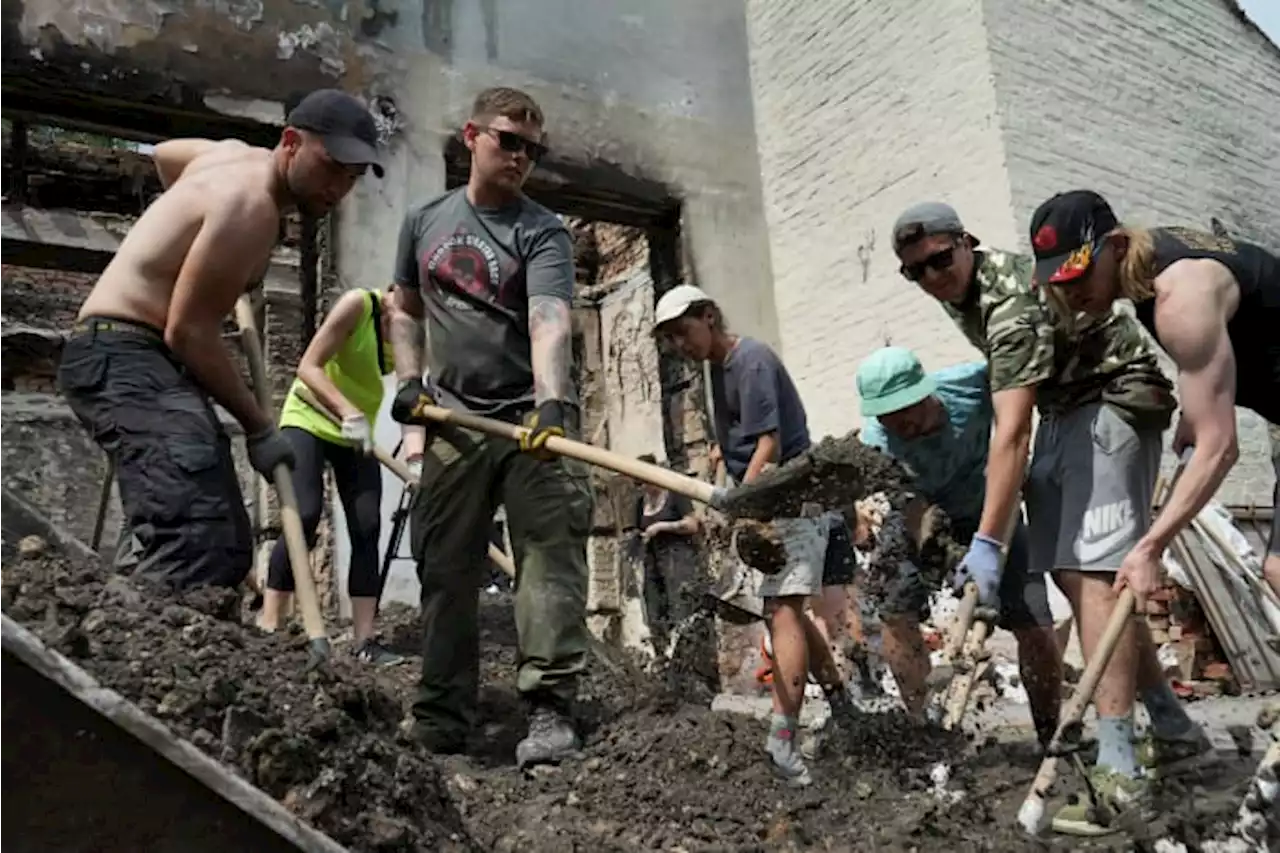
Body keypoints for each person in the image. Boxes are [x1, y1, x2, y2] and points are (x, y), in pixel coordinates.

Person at [891, 201, 1212, 835]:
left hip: (1118, 395)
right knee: (1071, 576)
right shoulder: (963, 298)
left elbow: (1009, 434)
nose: (931, 278)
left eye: (939, 261)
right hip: (1067, 408)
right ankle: (1173, 727)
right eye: (915, 272)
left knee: (1095, 577)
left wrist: (987, 541)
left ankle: (1119, 760)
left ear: (967, 242)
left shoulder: (1007, 305)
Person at [58, 89, 383, 592]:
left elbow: (166, 156)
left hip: (133, 355)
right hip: (125, 354)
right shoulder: (251, 209)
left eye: (352, 178)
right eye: (332, 166)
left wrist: (190, 245)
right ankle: (135, 649)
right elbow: (188, 332)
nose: (339, 187)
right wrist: (258, 427)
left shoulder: (228, 155)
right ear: (291, 142)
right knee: (199, 539)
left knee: (223, 536)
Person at [387, 87, 592, 770]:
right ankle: (442, 713)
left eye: (533, 148)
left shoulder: (542, 229)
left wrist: (551, 399)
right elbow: (407, 308)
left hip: (530, 420)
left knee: (547, 558)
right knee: (446, 569)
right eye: (509, 140)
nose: (521, 157)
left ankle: (551, 708)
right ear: (471, 135)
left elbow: (548, 317)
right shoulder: (423, 222)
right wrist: (409, 382)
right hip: (456, 422)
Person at [1030, 190, 1280, 604]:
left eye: (1079, 275)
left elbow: (1220, 449)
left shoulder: (1179, 300)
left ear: (1116, 245)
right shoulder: (1153, 264)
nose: (1071, 293)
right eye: (1060, 281)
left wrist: (1150, 547)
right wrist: (1196, 409)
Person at [654, 282, 852, 787]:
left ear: (709, 317)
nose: (682, 346)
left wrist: (738, 500)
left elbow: (769, 441)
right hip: (765, 497)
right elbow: (737, 443)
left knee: (782, 609)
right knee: (782, 609)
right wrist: (727, 478)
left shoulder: (753, 360)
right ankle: (840, 702)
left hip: (793, 491)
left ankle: (782, 738)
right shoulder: (717, 371)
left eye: (684, 333)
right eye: (672, 340)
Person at [855, 346, 1061, 741]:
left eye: (904, 412)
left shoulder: (972, 385)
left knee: (1033, 623)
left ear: (924, 392)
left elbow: (1023, 400)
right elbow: (909, 508)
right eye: (886, 415)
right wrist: (937, 549)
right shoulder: (877, 442)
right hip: (921, 516)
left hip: (992, 513)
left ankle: (1052, 734)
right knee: (895, 612)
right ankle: (925, 729)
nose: (897, 424)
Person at [258, 285, 422, 665]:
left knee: (367, 526)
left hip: (355, 432)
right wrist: (349, 412)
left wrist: (415, 461)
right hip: (311, 416)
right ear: (395, 292)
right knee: (303, 515)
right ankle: (270, 623)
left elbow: (413, 402)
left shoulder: (413, 333)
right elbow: (308, 366)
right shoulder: (358, 305)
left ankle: (365, 641)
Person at [629, 455, 702, 654]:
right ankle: (662, 658)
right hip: (653, 564)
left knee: (682, 613)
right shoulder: (640, 503)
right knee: (654, 615)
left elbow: (692, 524)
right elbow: (638, 530)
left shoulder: (675, 495)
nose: (644, 487)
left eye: (645, 481)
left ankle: (687, 660)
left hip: (679, 561)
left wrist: (663, 526)